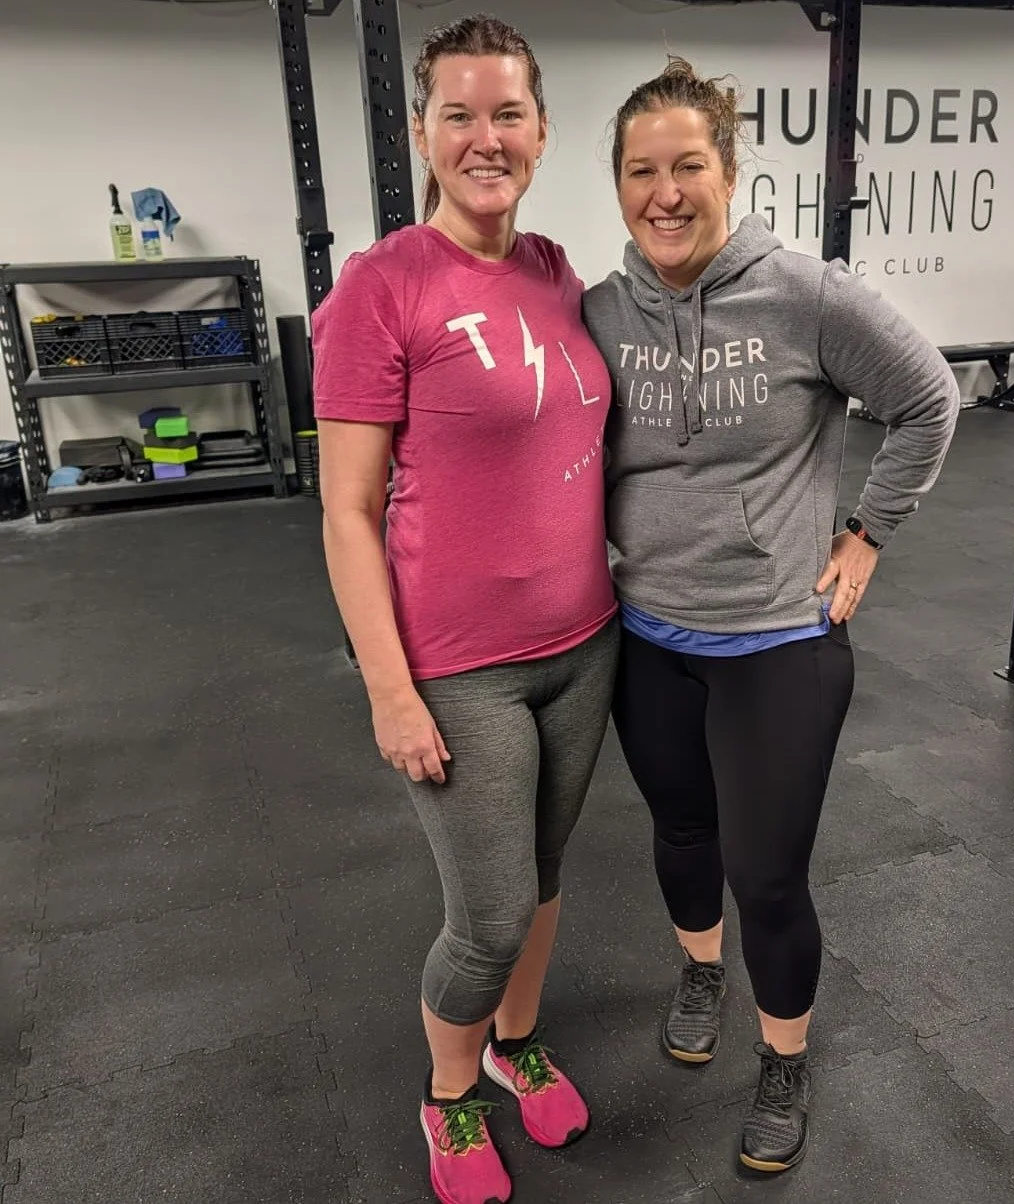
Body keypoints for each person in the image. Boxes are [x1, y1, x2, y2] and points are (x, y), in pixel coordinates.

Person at [584, 59, 960, 1175]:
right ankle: (700, 970)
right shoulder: (602, 311)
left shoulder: (804, 295)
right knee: (682, 833)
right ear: (616, 185)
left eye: (686, 166)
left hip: (777, 640)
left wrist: (865, 531)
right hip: (647, 634)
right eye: (640, 171)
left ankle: (783, 1058)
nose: (664, 192)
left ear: (728, 172)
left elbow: (928, 399)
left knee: (766, 871)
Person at [311, 16, 618, 1204]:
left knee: (540, 876)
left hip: (584, 645)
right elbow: (347, 510)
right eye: (459, 114)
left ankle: (513, 1044)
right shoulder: (381, 287)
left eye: (507, 114)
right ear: (422, 134)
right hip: (459, 666)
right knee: (485, 914)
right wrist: (390, 690)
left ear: (539, 130)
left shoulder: (549, 271)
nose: (484, 137)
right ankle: (447, 1096)